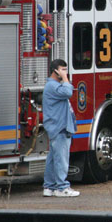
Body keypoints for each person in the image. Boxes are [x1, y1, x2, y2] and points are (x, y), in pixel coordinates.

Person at [42, 59, 79, 197]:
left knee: (53, 159)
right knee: (62, 158)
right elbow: (68, 92)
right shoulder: (52, 86)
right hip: (59, 127)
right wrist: (65, 79)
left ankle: (49, 187)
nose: (65, 72)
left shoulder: (54, 86)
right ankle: (62, 187)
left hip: (57, 127)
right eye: (62, 69)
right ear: (55, 71)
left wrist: (63, 79)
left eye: (65, 69)